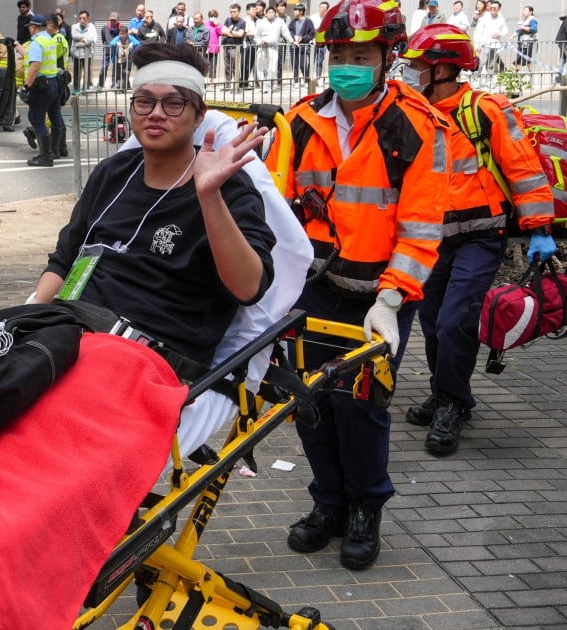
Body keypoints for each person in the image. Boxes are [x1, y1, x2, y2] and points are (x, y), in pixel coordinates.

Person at [265, 0, 450, 571]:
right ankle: (328, 504)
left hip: (380, 297)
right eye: (339, 54)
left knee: (362, 406)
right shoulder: (299, 122)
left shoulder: (420, 127)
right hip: (313, 290)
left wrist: (392, 300)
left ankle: (366, 507)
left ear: (387, 57)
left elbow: (421, 229)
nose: (347, 64)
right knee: (310, 402)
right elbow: (271, 210)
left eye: (360, 54)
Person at [32, 42, 275, 379]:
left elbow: (248, 288)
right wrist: (26, 314)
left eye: (174, 103)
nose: (156, 113)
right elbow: (65, 257)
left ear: (200, 115)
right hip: (68, 334)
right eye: (144, 101)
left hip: (150, 361)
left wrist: (208, 196)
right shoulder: (112, 173)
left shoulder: (230, 190)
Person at [400, 24, 557, 454]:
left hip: (480, 236)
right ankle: (442, 390)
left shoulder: (485, 108)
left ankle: (453, 403)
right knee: (432, 324)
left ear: (444, 68)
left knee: (456, 322)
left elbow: (524, 168)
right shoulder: (413, 111)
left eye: (419, 65)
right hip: (431, 239)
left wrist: (539, 228)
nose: (410, 72)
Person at [21, 15, 64, 167]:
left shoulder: (36, 43)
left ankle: (45, 157)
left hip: (40, 87)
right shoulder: (50, 39)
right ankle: (55, 150)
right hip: (53, 83)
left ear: (34, 27)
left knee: (37, 119)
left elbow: (35, 66)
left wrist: (26, 86)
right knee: (54, 115)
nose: (29, 29)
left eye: (29, 27)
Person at [254, 5, 291, 93]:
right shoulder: (260, 22)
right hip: (262, 47)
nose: (270, 14)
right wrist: (261, 42)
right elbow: (256, 37)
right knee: (261, 68)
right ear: (266, 14)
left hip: (274, 47)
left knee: (273, 68)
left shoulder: (279, 22)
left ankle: (269, 86)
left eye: (272, 12)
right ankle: (263, 86)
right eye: (269, 12)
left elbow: (285, 32)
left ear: (275, 14)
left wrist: (292, 41)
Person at [474, 1, 508, 78]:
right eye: (491, 7)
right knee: (481, 62)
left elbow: (505, 29)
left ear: (498, 9)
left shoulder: (501, 18)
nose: (492, 9)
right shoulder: (484, 18)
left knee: (491, 64)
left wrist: (500, 34)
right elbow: (479, 32)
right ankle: (474, 78)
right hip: (485, 44)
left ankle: (489, 81)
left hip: (495, 45)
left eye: (494, 8)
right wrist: (478, 44)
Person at [70, 11, 96, 91]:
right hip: (76, 53)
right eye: (80, 18)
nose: (82, 20)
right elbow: (74, 36)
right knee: (77, 71)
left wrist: (79, 43)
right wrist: (85, 40)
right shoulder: (74, 26)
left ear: (88, 18)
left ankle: (85, 88)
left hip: (87, 53)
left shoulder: (91, 27)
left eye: (84, 18)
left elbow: (91, 39)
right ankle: (76, 88)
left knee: (87, 72)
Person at [289, 4, 316, 84]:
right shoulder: (293, 21)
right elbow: (289, 31)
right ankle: (296, 81)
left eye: (296, 10)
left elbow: (312, 33)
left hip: (303, 46)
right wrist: (294, 37)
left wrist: (302, 38)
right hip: (294, 45)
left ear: (301, 12)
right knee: (294, 64)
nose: (294, 12)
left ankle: (307, 81)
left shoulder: (308, 21)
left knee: (302, 64)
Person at [222, 5, 248, 86]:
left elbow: (240, 34)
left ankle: (236, 84)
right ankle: (228, 83)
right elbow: (223, 31)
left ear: (239, 12)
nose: (232, 13)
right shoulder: (227, 20)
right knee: (227, 67)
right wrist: (234, 33)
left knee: (234, 67)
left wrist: (229, 31)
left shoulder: (242, 22)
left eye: (234, 12)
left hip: (235, 47)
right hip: (226, 46)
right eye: (231, 12)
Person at [98, 13, 123, 88]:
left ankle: (113, 84)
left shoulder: (121, 28)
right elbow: (103, 38)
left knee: (116, 68)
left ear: (118, 20)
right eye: (111, 20)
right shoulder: (105, 28)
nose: (113, 22)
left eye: (114, 20)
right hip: (107, 51)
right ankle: (100, 84)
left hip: (117, 51)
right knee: (104, 67)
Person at [511, 5, 537, 72]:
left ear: (530, 12)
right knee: (522, 59)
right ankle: (520, 73)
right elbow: (519, 30)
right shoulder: (525, 20)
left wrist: (522, 27)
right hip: (522, 43)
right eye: (523, 10)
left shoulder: (532, 19)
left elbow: (534, 29)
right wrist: (512, 37)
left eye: (525, 10)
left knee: (525, 59)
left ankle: (529, 72)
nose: (523, 12)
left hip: (528, 43)